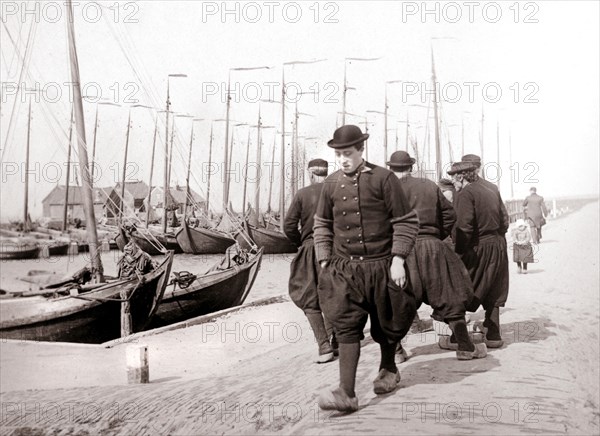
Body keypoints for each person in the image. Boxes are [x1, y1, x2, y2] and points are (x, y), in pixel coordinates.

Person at [314, 125, 419, 412]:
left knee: (386, 322)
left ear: (361, 150)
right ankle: (346, 392)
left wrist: (398, 258)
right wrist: (324, 259)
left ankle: (388, 369)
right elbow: (322, 224)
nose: (343, 159)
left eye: (348, 153)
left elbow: (406, 221)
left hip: (382, 265)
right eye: (338, 154)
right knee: (346, 326)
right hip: (345, 269)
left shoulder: (384, 179)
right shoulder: (331, 184)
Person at [388, 151, 486, 359]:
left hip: (402, 252)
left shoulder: (386, 190)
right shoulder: (428, 185)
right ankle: (465, 347)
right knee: (449, 296)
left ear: (391, 169)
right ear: (411, 168)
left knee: (400, 303)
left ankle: (395, 353)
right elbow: (450, 216)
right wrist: (434, 236)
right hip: (433, 248)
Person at [451, 160, 510, 349]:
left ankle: (457, 338)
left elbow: (464, 228)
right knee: (494, 287)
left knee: (463, 287)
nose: (452, 182)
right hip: (498, 244)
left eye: (453, 177)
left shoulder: (466, 193)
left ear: (461, 176)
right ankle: (493, 335)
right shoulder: (491, 187)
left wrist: (459, 252)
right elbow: (505, 220)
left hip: (479, 246)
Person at [283, 158, 336, 364]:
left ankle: (324, 346)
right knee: (334, 294)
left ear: (311, 174)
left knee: (308, 297)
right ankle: (337, 341)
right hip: (335, 250)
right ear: (326, 173)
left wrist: (302, 242)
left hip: (311, 248)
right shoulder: (338, 192)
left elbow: (288, 226)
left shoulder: (302, 194)